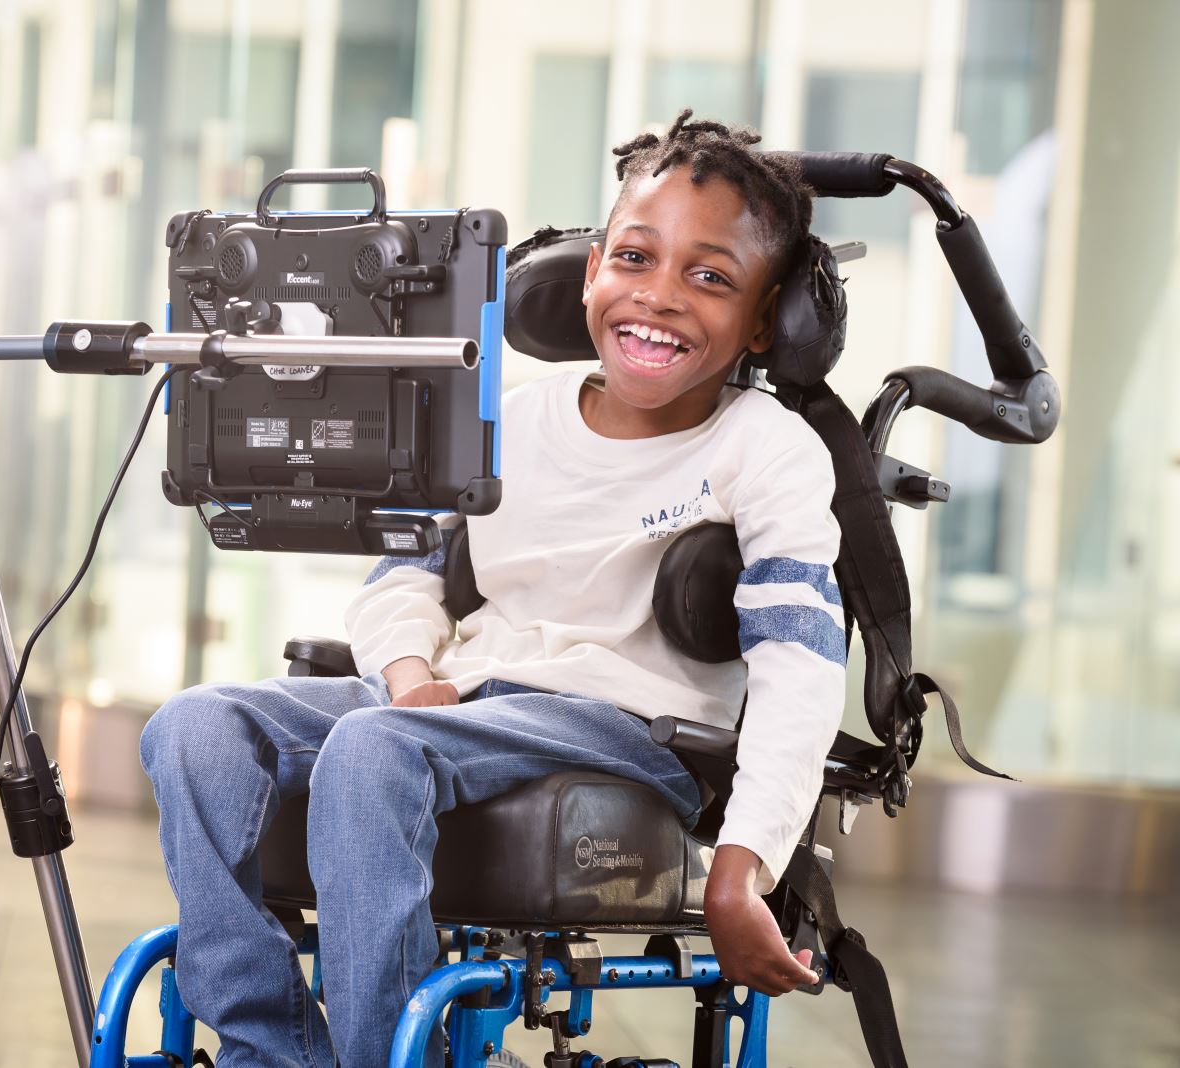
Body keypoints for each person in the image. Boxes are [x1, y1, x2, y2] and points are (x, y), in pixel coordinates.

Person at [139, 110, 844, 1068]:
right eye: (635, 259)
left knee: (371, 754)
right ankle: (274, 1050)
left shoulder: (767, 449)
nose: (661, 297)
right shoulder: (506, 414)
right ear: (592, 269)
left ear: (765, 319)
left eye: (710, 276)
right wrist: (404, 671)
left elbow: (802, 670)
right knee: (193, 729)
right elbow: (405, 575)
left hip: (629, 724)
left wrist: (742, 866)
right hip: (465, 699)